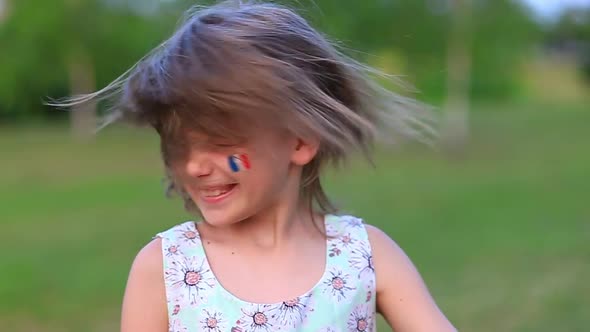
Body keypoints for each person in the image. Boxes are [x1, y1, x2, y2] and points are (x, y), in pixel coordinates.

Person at [58, 1, 457, 331]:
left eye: (219, 143)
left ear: (300, 141)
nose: (195, 165)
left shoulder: (363, 257)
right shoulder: (166, 268)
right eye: (179, 146)